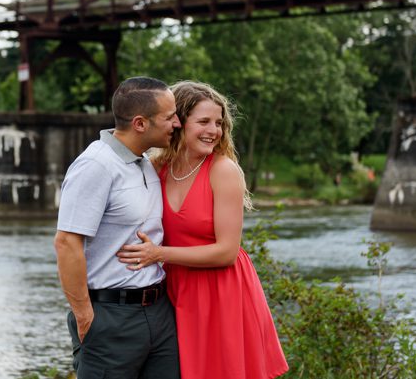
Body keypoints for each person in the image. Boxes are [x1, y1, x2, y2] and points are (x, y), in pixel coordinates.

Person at [117, 80, 288, 379]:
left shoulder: (223, 171)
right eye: (204, 121)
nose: (214, 131)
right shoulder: (155, 169)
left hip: (222, 292)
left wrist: (158, 253)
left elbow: (226, 252)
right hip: (174, 291)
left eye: (219, 123)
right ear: (178, 122)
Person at [54, 76, 182, 379]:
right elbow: (66, 243)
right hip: (111, 316)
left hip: (159, 312)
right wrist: (85, 317)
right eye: (169, 117)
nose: (177, 123)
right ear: (140, 123)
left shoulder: (145, 162)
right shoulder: (96, 165)